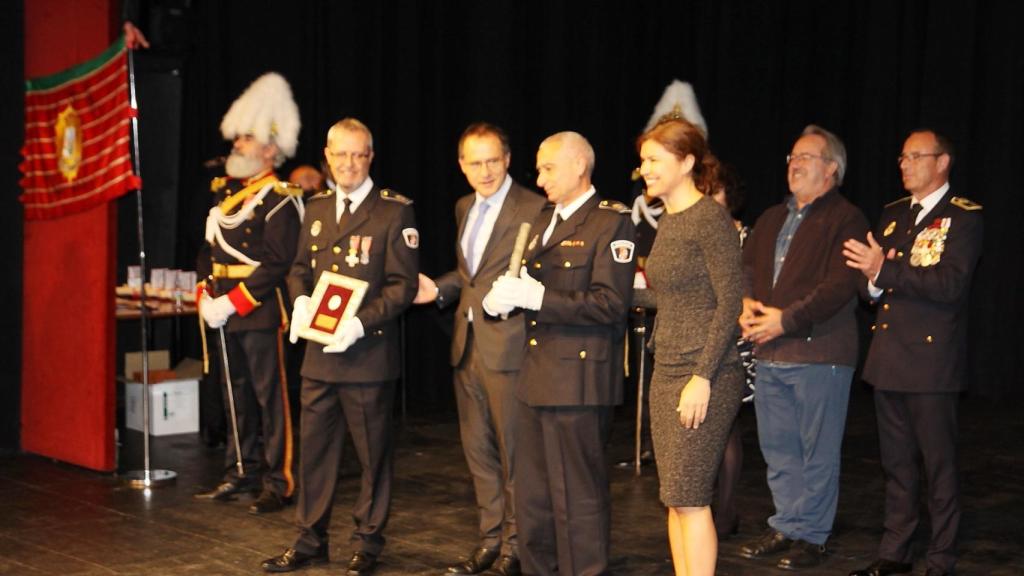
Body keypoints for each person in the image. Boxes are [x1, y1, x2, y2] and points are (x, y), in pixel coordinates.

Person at [261, 118, 419, 575]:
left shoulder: (393, 211)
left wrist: (359, 324)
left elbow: (401, 285)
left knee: (373, 457)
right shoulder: (315, 207)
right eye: (340, 154)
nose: (349, 163)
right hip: (318, 357)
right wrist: (303, 302)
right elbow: (297, 269)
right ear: (327, 156)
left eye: (358, 154)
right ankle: (309, 538)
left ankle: (367, 543)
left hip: (368, 355)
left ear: (370, 157)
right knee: (314, 454)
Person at [483, 131, 635, 576]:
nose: (540, 176)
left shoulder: (611, 222)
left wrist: (537, 298)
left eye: (548, 167)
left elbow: (611, 305)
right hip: (537, 376)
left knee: (578, 499)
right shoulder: (543, 217)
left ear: (578, 167)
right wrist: (504, 299)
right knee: (534, 497)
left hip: (578, 380)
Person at [843, 130, 983, 576]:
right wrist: (870, 278)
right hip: (888, 360)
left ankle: (941, 558)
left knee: (938, 468)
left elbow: (949, 285)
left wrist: (884, 269)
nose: (904, 164)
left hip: (930, 364)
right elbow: (876, 290)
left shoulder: (962, 218)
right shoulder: (892, 214)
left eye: (915, 156)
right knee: (897, 466)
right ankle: (895, 551)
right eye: (902, 157)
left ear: (942, 162)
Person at [414, 123, 545, 576]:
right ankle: (490, 539)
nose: (485, 170)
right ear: (462, 165)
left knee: (515, 455)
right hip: (465, 344)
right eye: (475, 162)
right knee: (479, 453)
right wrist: (439, 288)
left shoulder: (535, 206)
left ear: (508, 159)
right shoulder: (464, 206)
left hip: (509, 347)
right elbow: (470, 275)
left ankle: (517, 545)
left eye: (493, 160)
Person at [737, 125, 869, 570]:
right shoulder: (772, 216)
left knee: (817, 452)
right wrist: (746, 304)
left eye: (806, 157)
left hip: (820, 354)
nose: (794, 163)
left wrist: (784, 320)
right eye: (792, 157)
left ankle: (812, 534)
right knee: (779, 450)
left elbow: (840, 285)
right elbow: (747, 268)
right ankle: (787, 525)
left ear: (831, 168)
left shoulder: (847, 218)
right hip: (771, 353)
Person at [634, 118, 744, 576]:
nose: (645, 169)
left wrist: (702, 377)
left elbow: (728, 302)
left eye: (654, 160)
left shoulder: (709, 218)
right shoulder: (671, 219)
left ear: (687, 162)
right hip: (669, 369)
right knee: (676, 498)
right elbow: (675, 294)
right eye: (643, 160)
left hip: (706, 373)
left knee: (693, 498)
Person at [194, 72, 302, 516]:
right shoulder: (227, 198)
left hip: (257, 310)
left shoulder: (279, 198)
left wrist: (232, 301)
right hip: (223, 307)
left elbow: (278, 263)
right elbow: (207, 251)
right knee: (234, 392)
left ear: (271, 149)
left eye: (246, 139)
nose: (237, 145)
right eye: (237, 139)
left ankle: (280, 480)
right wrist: (205, 294)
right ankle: (242, 469)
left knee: (269, 396)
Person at [708, 166, 755, 540]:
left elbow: (748, 290)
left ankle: (726, 510)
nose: (709, 199)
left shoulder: (745, 237)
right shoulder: (694, 233)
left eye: (716, 192)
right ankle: (700, 505)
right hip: (698, 340)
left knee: (727, 427)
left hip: (736, 340)